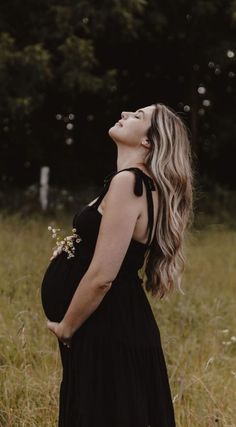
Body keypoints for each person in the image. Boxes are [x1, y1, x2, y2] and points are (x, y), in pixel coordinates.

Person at [41, 102, 193, 427]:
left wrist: (68, 326)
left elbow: (103, 276)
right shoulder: (140, 185)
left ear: (149, 141)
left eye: (138, 116)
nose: (125, 114)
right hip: (114, 325)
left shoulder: (130, 183)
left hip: (108, 327)